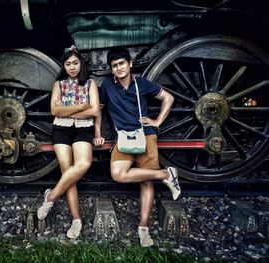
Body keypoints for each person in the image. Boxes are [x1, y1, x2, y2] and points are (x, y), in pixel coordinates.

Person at [93, 47, 181, 247]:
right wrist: (97, 133)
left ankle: (143, 228)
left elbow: (169, 98)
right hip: (123, 138)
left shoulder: (142, 83)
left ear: (129, 64)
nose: (118, 68)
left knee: (146, 181)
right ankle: (166, 175)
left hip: (145, 135)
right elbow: (98, 110)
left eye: (122, 63)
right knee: (118, 174)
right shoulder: (107, 86)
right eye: (114, 65)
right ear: (111, 69)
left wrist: (157, 121)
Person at [37, 45, 100, 239]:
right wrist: (81, 105)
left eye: (75, 63)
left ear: (81, 64)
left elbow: (94, 111)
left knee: (83, 164)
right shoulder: (59, 85)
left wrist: (67, 107)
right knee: (68, 173)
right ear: (63, 66)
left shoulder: (91, 84)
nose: (71, 67)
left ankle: (51, 197)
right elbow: (55, 111)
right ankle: (76, 219)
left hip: (83, 129)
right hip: (61, 129)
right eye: (67, 64)